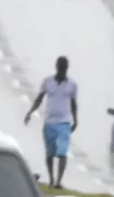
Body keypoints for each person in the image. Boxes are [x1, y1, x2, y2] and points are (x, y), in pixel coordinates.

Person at [23, 56, 79, 189]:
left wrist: (75, 120)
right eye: (60, 68)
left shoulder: (72, 85)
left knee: (62, 152)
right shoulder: (47, 82)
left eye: (64, 68)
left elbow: (73, 103)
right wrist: (30, 112)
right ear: (56, 67)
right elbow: (39, 98)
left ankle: (59, 181)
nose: (62, 70)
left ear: (67, 69)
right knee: (50, 153)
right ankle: (51, 179)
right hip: (49, 123)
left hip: (64, 123)